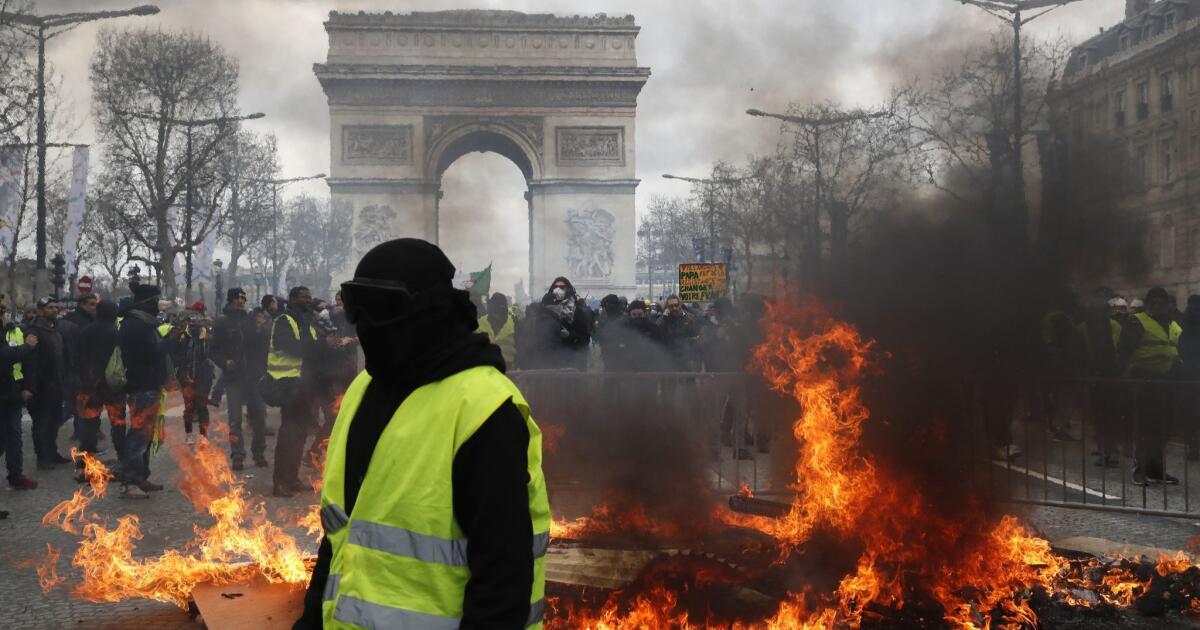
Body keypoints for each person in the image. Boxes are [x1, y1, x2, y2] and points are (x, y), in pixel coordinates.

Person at [294, 238, 549, 630]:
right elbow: (338, 540)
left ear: (429, 312)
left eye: (378, 310)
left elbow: (502, 577)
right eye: (355, 310)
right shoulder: (362, 389)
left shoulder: (484, 407)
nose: (364, 327)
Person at [1117, 287, 1182, 485]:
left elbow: (1176, 349)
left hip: (1167, 380)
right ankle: (1139, 470)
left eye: (1162, 302)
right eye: (1154, 302)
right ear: (1148, 304)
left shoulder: (1173, 325)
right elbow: (1124, 351)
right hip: (1143, 378)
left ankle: (1155, 469)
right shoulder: (1137, 322)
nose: (1158, 306)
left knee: (1164, 427)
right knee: (1145, 425)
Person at [269, 286, 323, 497]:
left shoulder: (306, 320)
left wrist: (330, 345)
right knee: (288, 435)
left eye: (309, 297)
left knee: (300, 434)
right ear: (292, 299)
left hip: (304, 386)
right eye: (303, 297)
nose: (308, 300)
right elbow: (291, 347)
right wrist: (319, 345)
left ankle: (292, 478)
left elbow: (314, 347)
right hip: (288, 385)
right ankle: (280, 482)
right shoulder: (284, 319)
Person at [118, 284, 169, 499]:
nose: (160, 305)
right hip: (142, 387)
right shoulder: (135, 325)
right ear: (148, 303)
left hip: (150, 385)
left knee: (147, 435)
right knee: (138, 435)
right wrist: (168, 340)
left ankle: (141, 476)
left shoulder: (144, 324)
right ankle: (130, 482)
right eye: (157, 301)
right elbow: (150, 354)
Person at [212, 288, 269, 470]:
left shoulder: (251, 320)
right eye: (238, 297)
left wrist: (262, 329)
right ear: (230, 300)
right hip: (234, 378)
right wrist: (224, 361)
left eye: (244, 297)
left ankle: (258, 452)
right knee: (235, 420)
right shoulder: (222, 322)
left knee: (259, 417)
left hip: (254, 377)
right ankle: (237, 455)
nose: (241, 301)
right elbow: (213, 350)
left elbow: (263, 346)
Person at [75, 300, 127, 468]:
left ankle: (86, 459)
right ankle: (122, 456)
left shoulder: (85, 332)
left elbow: (77, 357)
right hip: (112, 386)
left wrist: (84, 378)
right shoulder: (116, 333)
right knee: (118, 423)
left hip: (89, 385)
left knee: (90, 424)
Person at [0, 301, 38, 489]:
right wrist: (27, 347)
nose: (3, 313)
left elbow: (28, 363)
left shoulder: (14, 330)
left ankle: (16, 475)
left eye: (4, 310)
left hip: (12, 391)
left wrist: (28, 387)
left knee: (14, 436)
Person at [27, 297, 68, 470]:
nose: (55, 310)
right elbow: (32, 362)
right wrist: (35, 385)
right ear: (40, 310)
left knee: (54, 421)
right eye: (50, 307)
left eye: (56, 307)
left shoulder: (55, 330)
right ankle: (42, 457)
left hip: (56, 384)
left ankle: (52, 452)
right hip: (42, 387)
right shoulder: (33, 331)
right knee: (42, 422)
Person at [518, 277, 593, 370]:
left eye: (562, 287)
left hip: (573, 362)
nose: (558, 290)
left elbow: (585, 339)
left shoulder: (578, 311)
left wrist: (570, 336)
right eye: (555, 287)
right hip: (552, 362)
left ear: (568, 289)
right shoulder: (545, 307)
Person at [168, 301, 214, 445]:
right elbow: (172, 351)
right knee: (189, 406)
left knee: (202, 405)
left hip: (203, 377)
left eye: (197, 319)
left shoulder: (207, 336)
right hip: (186, 376)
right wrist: (179, 368)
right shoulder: (182, 335)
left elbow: (213, 353)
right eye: (191, 320)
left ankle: (203, 436)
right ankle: (189, 434)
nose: (194, 323)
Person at [657, 294, 700, 371]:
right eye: (671, 306)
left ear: (680, 304)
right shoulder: (664, 318)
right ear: (667, 307)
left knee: (688, 381)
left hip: (686, 357)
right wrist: (664, 318)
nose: (674, 308)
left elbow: (696, 336)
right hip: (669, 357)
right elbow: (657, 330)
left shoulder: (690, 318)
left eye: (676, 305)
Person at [478, 292, 516, 367]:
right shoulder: (480, 323)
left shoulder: (514, 324)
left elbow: (521, 347)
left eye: (500, 309)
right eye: (495, 310)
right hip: (485, 366)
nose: (497, 314)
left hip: (508, 366)